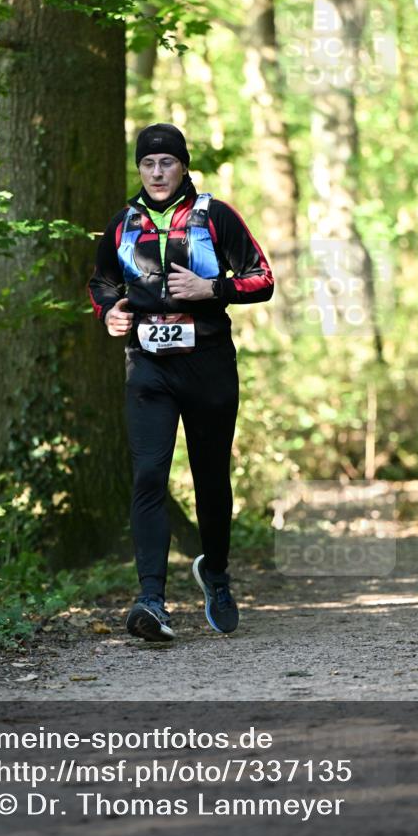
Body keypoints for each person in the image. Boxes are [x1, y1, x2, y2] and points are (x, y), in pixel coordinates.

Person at [88, 123, 274, 642]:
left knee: (210, 478)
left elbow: (262, 279)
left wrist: (210, 288)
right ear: (139, 169)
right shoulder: (123, 222)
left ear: (183, 165)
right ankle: (151, 598)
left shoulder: (215, 216)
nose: (157, 172)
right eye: (148, 164)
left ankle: (216, 573)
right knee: (149, 475)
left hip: (208, 364)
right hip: (148, 366)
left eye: (166, 162)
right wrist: (109, 312)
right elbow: (102, 282)